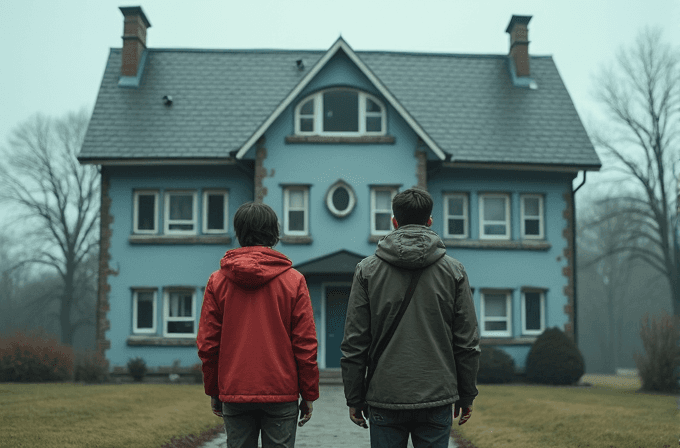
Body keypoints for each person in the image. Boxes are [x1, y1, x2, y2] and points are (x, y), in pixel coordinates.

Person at [341, 188, 480, 448]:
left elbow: (354, 342)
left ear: (394, 222)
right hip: (437, 395)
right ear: (429, 222)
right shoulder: (454, 271)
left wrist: (354, 397)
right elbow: (467, 342)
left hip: (385, 395)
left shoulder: (367, 271)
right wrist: (467, 394)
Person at [197, 202, 319, 448]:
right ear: (274, 233)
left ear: (239, 232)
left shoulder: (217, 281)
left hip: (235, 389)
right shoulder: (294, 281)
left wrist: (214, 389)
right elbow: (305, 345)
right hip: (281, 391)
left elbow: (208, 344)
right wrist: (308, 394)